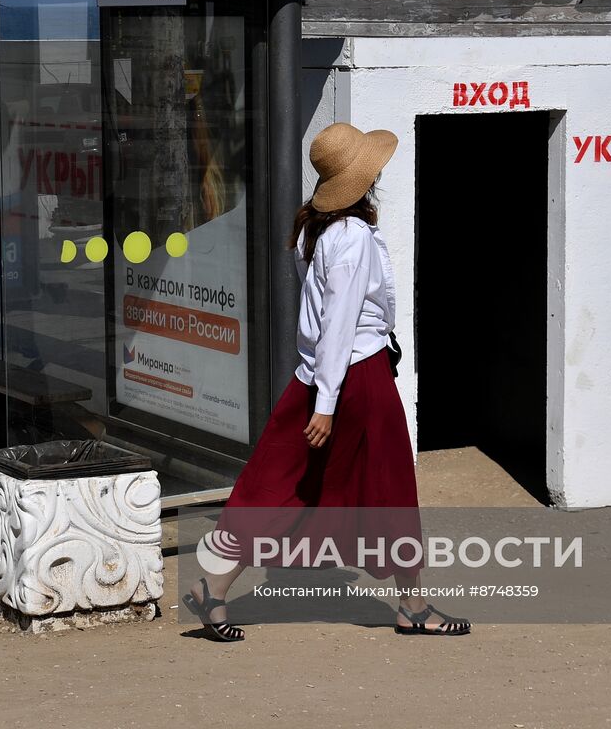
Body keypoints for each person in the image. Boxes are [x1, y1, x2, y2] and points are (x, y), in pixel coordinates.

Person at [183, 122, 471, 640]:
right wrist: (328, 402)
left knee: (277, 485)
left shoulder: (313, 231)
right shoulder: (354, 237)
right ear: (363, 181)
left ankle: (214, 591)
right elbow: (338, 323)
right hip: (355, 379)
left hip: (314, 379)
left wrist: (319, 395)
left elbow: (321, 319)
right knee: (389, 489)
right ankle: (413, 607)